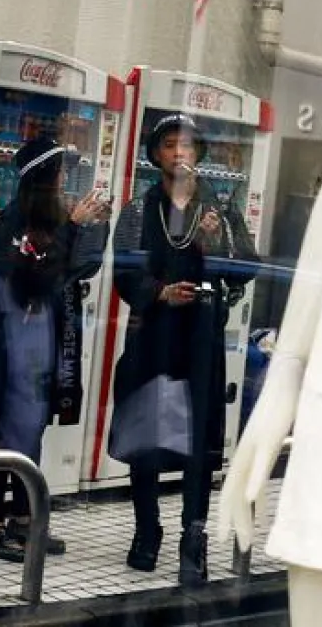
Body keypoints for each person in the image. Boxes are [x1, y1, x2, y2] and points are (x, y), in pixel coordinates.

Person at [111, 113, 260, 585]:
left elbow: (246, 267)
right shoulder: (139, 209)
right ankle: (146, 530)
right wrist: (159, 293)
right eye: (170, 145)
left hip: (200, 338)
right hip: (152, 335)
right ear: (156, 156)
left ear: (199, 155)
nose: (179, 153)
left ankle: (193, 539)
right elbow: (123, 271)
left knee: (199, 439)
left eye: (188, 146)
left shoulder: (218, 208)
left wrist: (215, 244)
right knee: (145, 435)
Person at [0, 136, 111, 563]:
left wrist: (91, 229)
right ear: (41, 176)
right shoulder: (14, 220)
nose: (63, 179)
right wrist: (73, 226)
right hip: (13, 344)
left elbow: (67, 269)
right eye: (58, 171)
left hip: (37, 341)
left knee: (31, 430)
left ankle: (22, 520)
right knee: (8, 432)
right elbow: (36, 275)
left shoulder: (42, 214)